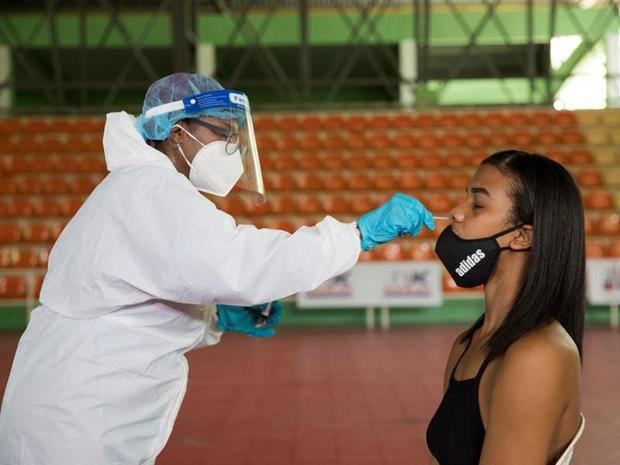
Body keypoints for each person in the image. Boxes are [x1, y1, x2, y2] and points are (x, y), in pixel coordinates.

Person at [0, 73, 435, 465]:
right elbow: (242, 265)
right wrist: (357, 234)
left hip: (73, 405)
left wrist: (214, 316)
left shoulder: (141, 189)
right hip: (77, 423)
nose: (231, 148)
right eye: (221, 133)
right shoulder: (151, 191)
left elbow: (132, 299)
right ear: (177, 132)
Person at [427, 150, 585, 465]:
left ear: (522, 236)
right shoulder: (467, 343)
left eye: (478, 204)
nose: (456, 213)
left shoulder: (539, 355)